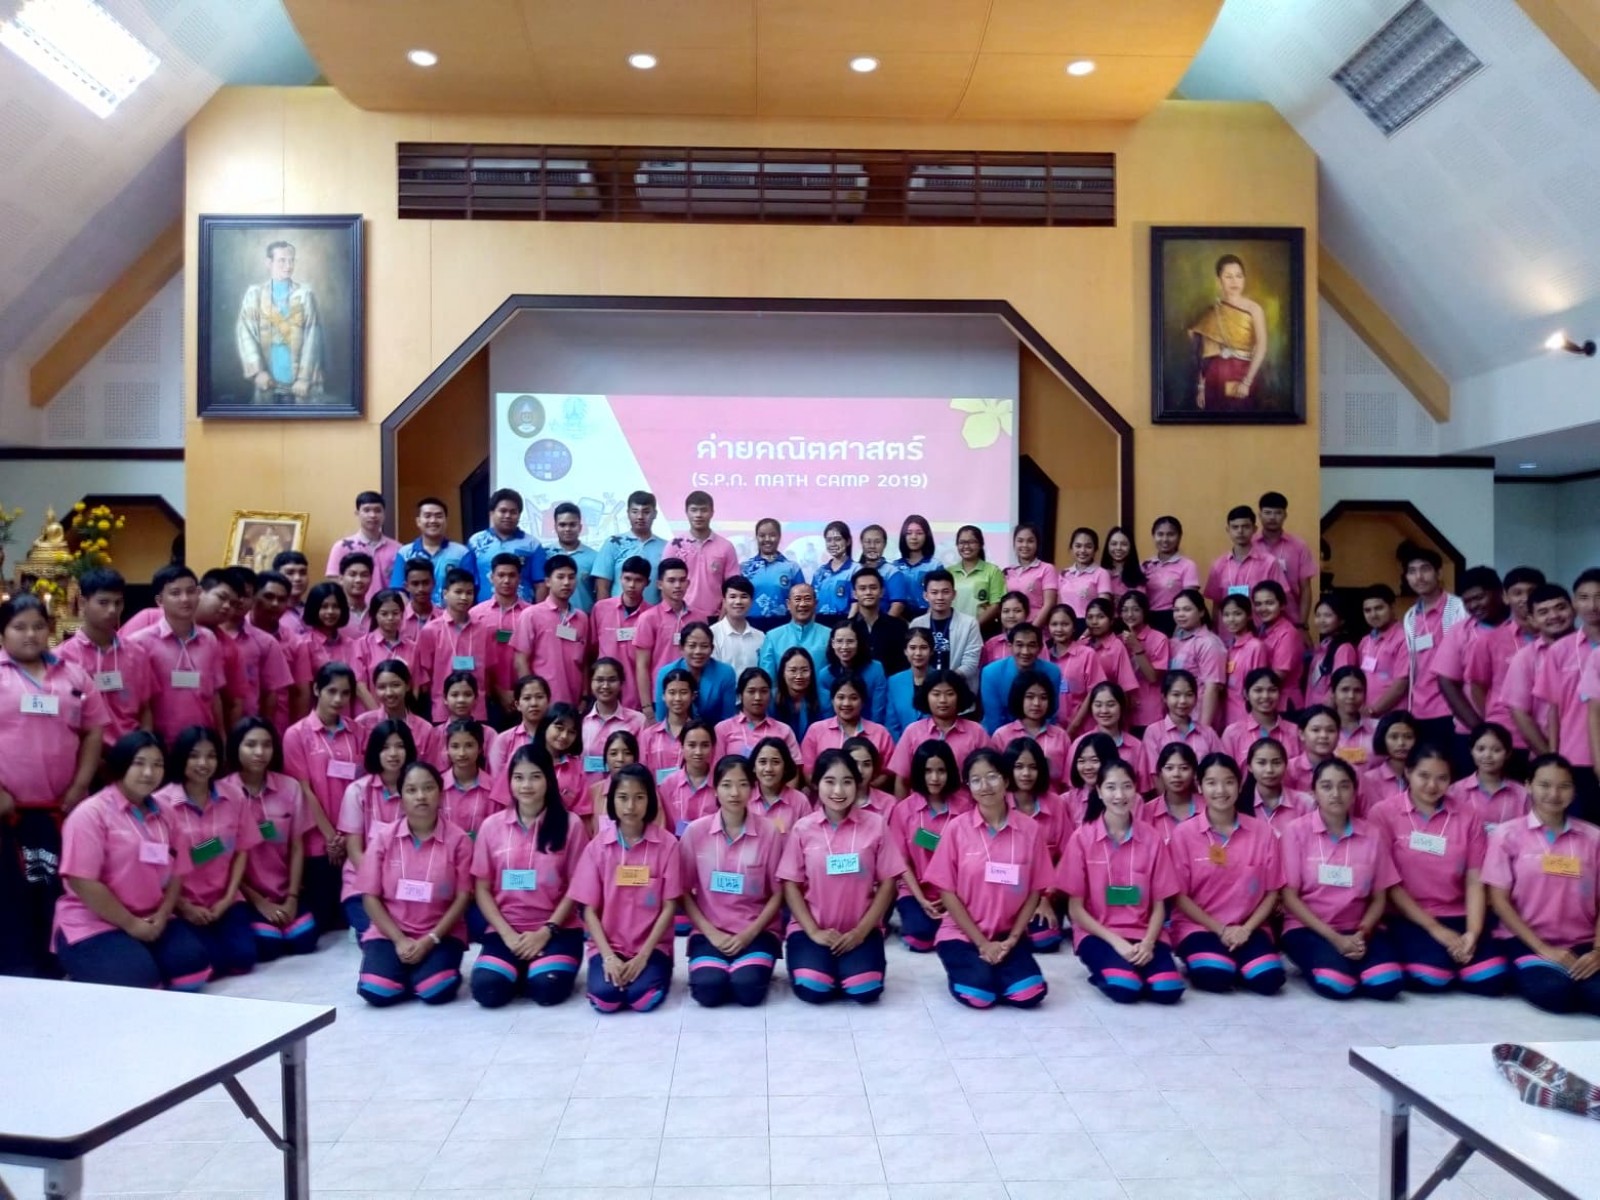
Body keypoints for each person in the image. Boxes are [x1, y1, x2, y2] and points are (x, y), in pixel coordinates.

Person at [0, 594, 109, 977]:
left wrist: (80, 786)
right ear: (3, 633)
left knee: (53, 887)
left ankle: (56, 963)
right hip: (7, 811)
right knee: (11, 892)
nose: (30, 635)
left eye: (38, 626)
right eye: (19, 627)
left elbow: (93, 731)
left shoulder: (74, 675)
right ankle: (16, 968)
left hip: (60, 809)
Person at [52, 732, 211, 989]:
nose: (149, 772)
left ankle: (135, 957)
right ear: (121, 764)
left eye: (157, 764)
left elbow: (178, 871)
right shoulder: (90, 814)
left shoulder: (166, 812)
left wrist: (163, 914)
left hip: (152, 916)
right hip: (95, 921)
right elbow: (82, 881)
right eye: (139, 763)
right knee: (139, 984)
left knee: (194, 971)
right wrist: (130, 924)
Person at [1370, 743, 1508, 995]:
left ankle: (1455, 959)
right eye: (1424, 776)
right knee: (1433, 977)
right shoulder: (1383, 813)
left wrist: (1472, 932)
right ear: (1408, 772)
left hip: (1457, 912)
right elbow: (1389, 883)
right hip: (1407, 916)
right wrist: (1436, 929)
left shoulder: (1468, 816)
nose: (1432, 785)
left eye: (1442, 778)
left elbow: (1474, 880)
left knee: (1492, 979)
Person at [921, 748, 1051, 1009]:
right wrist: (982, 943)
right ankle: (978, 969)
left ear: (1006, 779)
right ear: (968, 786)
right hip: (962, 933)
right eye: (976, 780)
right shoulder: (956, 829)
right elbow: (947, 891)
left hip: (1007, 934)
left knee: (1029, 994)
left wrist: (1013, 938)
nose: (985, 786)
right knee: (980, 996)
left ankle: (996, 966)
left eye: (992, 777)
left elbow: (1035, 889)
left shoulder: (1030, 829)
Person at [778, 748, 903, 1003]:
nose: (838, 790)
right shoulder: (803, 828)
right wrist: (813, 931)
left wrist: (861, 932)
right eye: (829, 781)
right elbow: (790, 883)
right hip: (812, 928)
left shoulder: (876, 824)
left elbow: (889, 882)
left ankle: (846, 967)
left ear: (857, 784)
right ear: (816, 784)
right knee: (814, 990)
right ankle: (824, 965)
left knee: (865, 991)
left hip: (860, 929)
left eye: (847, 782)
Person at [469, 742, 588, 1008]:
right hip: (506, 929)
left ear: (548, 779)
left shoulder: (571, 825)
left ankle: (531, 968)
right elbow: (482, 888)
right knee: (488, 990)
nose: (526, 785)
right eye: (518, 777)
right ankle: (518, 966)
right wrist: (508, 935)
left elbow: (576, 887)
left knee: (546, 988)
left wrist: (546, 931)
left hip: (556, 930)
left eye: (535, 777)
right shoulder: (491, 827)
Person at [1058, 757, 1185, 1004]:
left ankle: (1132, 968)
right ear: (1099, 791)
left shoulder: (1151, 838)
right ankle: (1107, 972)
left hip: (1144, 931)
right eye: (1111, 787)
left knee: (1168, 990)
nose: (1119, 795)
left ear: (1136, 789)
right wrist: (1117, 943)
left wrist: (1148, 943)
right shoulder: (1082, 838)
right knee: (1125, 989)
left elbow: (1160, 904)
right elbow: (1075, 910)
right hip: (1098, 934)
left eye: (1127, 786)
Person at [1483, 754, 1600, 1015]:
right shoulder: (1507, 835)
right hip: (1527, 941)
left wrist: (1598, 952)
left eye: (1564, 786)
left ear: (1574, 790)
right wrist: (1544, 949)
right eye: (1544, 785)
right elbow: (1499, 901)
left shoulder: (1593, 838)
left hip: (1584, 942)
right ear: (1528, 785)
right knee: (1555, 993)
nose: (1554, 794)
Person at [1279, 759, 1404, 1000]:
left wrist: (1361, 934)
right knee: (1339, 985)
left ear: (1355, 791)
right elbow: (1289, 897)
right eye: (1326, 786)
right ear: (1313, 792)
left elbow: (1379, 897)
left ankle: (1351, 962)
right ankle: (1331, 963)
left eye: (1344, 786)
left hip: (1358, 928)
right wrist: (1335, 939)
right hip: (1308, 928)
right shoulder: (1295, 831)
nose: (1335, 794)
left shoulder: (1372, 834)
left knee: (1387, 984)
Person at [353, 761, 473, 1006]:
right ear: (401, 797)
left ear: (440, 793)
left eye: (428, 788)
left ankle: (417, 974)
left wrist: (430, 939)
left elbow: (463, 897)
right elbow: (370, 896)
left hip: (440, 934)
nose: (420, 796)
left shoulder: (459, 840)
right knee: (376, 991)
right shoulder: (384, 838)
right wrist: (399, 940)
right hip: (391, 932)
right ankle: (405, 973)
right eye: (411, 790)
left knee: (435, 991)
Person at [1169, 753, 1287, 994]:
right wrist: (1220, 930)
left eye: (1229, 782)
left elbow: (1272, 891)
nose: (1221, 790)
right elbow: (1179, 896)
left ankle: (1237, 960)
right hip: (1198, 927)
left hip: (1248, 928)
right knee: (1216, 978)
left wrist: (1246, 929)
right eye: (1211, 783)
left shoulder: (1262, 832)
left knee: (1269, 980)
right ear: (1199, 786)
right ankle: (1222, 961)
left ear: (1240, 785)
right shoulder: (1184, 834)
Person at [569, 764, 682, 1012]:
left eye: (639, 797)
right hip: (609, 946)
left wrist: (643, 956)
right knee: (606, 999)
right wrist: (608, 956)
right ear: (612, 801)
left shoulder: (667, 845)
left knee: (641, 999)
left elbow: (669, 907)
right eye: (623, 797)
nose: (630, 806)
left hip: (651, 947)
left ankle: (655, 970)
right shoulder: (597, 847)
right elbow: (589, 911)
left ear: (650, 800)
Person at [679, 754, 785, 1008]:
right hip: (710, 931)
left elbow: (778, 893)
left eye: (743, 784)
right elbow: (683, 891)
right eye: (726, 785)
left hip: (756, 930)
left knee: (747, 989)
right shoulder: (696, 832)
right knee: (708, 991)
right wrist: (711, 933)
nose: (735, 793)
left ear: (753, 788)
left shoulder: (768, 832)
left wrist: (749, 934)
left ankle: (749, 965)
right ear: (715, 789)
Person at [156, 726, 261, 978]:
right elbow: (156, 868)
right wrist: (184, 906)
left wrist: (228, 898)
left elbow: (242, 851)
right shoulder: (160, 803)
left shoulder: (234, 796)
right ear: (181, 757)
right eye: (194, 756)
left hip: (224, 898)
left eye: (211, 756)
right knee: (213, 964)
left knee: (244, 959)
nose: (203, 763)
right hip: (181, 903)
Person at [225, 717, 319, 960]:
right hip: (246, 894)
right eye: (250, 745)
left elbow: (297, 846)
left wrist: (292, 898)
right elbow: (223, 860)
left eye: (266, 745)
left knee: (305, 940)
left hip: (285, 890)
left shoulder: (290, 788)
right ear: (236, 747)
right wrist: (259, 902)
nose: (259, 752)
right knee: (269, 946)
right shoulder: (223, 793)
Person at [282, 662, 360, 933]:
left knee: (350, 919)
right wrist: (331, 838)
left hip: (352, 838)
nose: (338, 699)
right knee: (323, 923)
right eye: (331, 691)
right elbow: (303, 790)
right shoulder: (296, 734)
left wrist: (347, 836)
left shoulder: (357, 732)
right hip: (318, 841)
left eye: (345, 693)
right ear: (316, 689)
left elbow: (361, 786)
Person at [54, 568, 155, 748]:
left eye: (118, 603)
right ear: (83, 603)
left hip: (130, 752)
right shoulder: (62, 657)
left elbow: (146, 708)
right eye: (103, 602)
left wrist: (145, 748)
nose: (112, 610)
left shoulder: (137, 653)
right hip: (84, 753)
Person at [129, 565, 227, 746]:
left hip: (203, 742)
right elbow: (139, 703)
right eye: (175, 593)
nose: (185, 599)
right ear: (160, 600)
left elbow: (215, 694)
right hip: (161, 743)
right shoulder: (140, 643)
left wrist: (221, 737)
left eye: (191, 591)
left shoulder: (209, 639)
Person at [888, 740, 966, 952]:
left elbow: (971, 860)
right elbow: (902, 862)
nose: (934, 778)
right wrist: (921, 899)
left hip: (958, 891)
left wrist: (951, 897)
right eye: (928, 771)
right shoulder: (903, 810)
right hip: (916, 890)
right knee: (919, 938)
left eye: (941, 771)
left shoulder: (966, 807)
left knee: (958, 936)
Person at [336, 721, 413, 932]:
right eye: (385, 747)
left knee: (415, 930)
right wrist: (382, 886)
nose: (393, 753)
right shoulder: (357, 791)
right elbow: (354, 851)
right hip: (363, 884)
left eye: (400, 746)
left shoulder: (417, 791)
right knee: (377, 934)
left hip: (407, 885)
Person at [1003, 735, 1069, 949]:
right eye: (1019, 767)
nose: (1026, 773)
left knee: (1045, 941)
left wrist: (1046, 897)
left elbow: (1067, 857)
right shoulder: (997, 802)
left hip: (1047, 893)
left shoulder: (1056, 804)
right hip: (1006, 891)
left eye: (1032, 767)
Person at [1543, 570, 1600, 821]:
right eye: (1584, 598)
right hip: (1574, 754)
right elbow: (1553, 709)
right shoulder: (1560, 650)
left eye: (1599, 597)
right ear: (1574, 603)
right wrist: (1553, 756)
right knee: (1582, 827)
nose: (1593, 605)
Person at [236, 239, 322, 402]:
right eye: (282, 260)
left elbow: (312, 338)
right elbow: (245, 334)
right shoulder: (255, 295)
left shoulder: (305, 295)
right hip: (267, 380)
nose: (288, 266)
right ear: (269, 263)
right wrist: (258, 372)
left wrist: (304, 378)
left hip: (299, 384)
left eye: (291, 260)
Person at [1401, 546, 1468, 753]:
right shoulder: (1410, 616)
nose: (1419, 577)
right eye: (1412, 571)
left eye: (1425, 569)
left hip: (1452, 706)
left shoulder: (1459, 608)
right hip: (1420, 709)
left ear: (1439, 573)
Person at [1188, 253, 1267, 411]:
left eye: (1238, 276)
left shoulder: (1254, 309)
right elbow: (1204, 355)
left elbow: (1262, 347)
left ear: (1244, 279)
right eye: (1228, 276)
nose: (1234, 281)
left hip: (1243, 374)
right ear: (1219, 281)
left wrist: (1247, 382)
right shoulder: (1212, 313)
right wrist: (1201, 388)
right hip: (1214, 375)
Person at [415, 567, 495, 721]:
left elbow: (488, 671)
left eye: (469, 593)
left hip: (477, 709)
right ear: (445, 593)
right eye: (458, 592)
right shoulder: (431, 630)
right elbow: (425, 674)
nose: (464, 597)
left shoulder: (483, 630)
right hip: (442, 709)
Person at [509, 553, 588, 708]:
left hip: (574, 703)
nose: (566, 582)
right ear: (548, 581)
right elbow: (521, 660)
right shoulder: (531, 615)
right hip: (543, 703)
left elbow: (584, 661)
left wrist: (585, 696)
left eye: (571, 577)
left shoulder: (582, 618)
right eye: (560, 577)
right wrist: (532, 699)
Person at [887, 669, 987, 790]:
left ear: (960, 696)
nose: (943, 700)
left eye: (949, 694)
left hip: (964, 801)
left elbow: (988, 773)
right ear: (926, 697)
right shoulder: (912, 732)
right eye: (936, 694)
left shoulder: (976, 732)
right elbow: (902, 780)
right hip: (920, 801)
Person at [633, 558, 704, 702]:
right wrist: (646, 705)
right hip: (661, 696)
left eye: (682, 580)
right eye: (671, 581)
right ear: (659, 584)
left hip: (693, 696)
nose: (678, 585)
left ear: (688, 583)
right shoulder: (648, 618)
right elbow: (642, 666)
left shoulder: (700, 617)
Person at [590, 555, 654, 710]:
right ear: (620, 578)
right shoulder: (600, 609)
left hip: (638, 696)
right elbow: (592, 649)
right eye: (627, 579)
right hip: (605, 692)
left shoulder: (652, 615)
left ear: (647, 583)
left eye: (638, 580)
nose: (632, 585)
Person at [472, 554, 530, 719]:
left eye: (512, 575)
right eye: (501, 575)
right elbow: (476, 659)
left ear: (519, 578)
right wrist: (499, 691)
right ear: (491, 577)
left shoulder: (531, 613)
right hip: (488, 695)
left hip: (525, 695)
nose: (506, 581)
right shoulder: (476, 614)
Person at [801, 674, 892, 777]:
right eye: (841, 697)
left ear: (863, 701)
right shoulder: (815, 730)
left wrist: (864, 787)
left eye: (853, 698)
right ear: (832, 700)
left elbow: (886, 774)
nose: (846, 703)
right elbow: (809, 772)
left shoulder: (881, 733)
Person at [388, 497, 475, 605]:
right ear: (418, 521)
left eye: (439, 516)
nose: (433, 520)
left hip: (451, 614)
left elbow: (470, 587)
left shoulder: (462, 553)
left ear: (446, 521)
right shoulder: (405, 553)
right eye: (427, 516)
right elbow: (399, 590)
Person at [979, 621, 1061, 734]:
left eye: (1031, 645)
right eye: (1019, 645)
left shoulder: (1052, 672)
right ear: (1010, 646)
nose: (1025, 652)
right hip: (1001, 734)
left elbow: (1050, 714)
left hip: (1039, 733)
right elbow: (994, 718)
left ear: (1040, 648)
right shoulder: (991, 673)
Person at [910, 569, 982, 695]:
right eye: (934, 592)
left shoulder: (969, 624)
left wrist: (946, 682)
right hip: (925, 691)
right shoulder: (917, 624)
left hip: (959, 691)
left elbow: (971, 663)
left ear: (954, 594)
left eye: (945, 592)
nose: (940, 597)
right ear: (925, 596)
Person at [467, 488, 546, 604]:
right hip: (483, 610)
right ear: (492, 513)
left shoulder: (532, 544)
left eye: (513, 512)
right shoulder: (476, 542)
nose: (508, 516)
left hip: (522, 610)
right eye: (503, 511)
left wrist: (538, 612)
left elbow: (540, 585)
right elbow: (467, 582)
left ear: (519, 515)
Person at [991, 669, 1070, 781]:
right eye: (1030, 697)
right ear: (1019, 698)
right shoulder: (1001, 735)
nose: (1036, 703)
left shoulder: (1061, 736)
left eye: (1043, 698)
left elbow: (1068, 779)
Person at [1449, 722, 1529, 834]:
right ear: (1471, 751)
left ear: (1508, 753)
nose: (1487, 755)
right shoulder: (1455, 791)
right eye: (1481, 749)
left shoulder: (1521, 794)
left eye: (1496, 750)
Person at [1203, 506, 1288, 611]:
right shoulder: (1218, 565)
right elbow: (1217, 603)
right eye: (1235, 527)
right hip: (1228, 621)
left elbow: (1280, 598)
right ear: (1228, 530)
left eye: (1246, 527)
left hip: (1259, 620)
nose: (1240, 531)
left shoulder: (1269, 563)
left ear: (1254, 529)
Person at [326, 491, 401, 607]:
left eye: (377, 510)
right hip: (351, 610)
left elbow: (401, 587)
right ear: (357, 513)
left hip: (386, 612)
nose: (372, 515)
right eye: (367, 510)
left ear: (384, 514)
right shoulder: (341, 547)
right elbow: (334, 584)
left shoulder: (398, 549)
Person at [296, 581, 366, 707]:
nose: (330, 611)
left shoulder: (351, 644)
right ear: (314, 608)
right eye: (324, 606)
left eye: (335, 606)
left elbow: (359, 686)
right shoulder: (304, 645)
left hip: (348, 715)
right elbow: (303, 693)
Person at [653, 621, 736, 726]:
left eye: (704, 646)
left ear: (712, 649)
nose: (698, 651)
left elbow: (728, 719)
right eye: (692, 646)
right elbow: (661, 719)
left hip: (714, 731)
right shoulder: (666, 673)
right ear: (681, 648)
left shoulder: (725, 673)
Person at [592, 490, 667, 605]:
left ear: (655, 514)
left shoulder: (665, 547)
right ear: (628, 513)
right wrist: (604, 611)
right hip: (618, 613)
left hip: (653, 613)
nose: (640, 517)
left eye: (646, 512)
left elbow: (667, 587)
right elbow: (602, 585)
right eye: (635, 511)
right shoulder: (613, 543)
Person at [1254, 491, 1316, 627]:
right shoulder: (1250, 545)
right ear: (1260, 515)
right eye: (1267, 513)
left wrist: (1303, 623)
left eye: (1278, 513)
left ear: (1285, 515)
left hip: (1290, 617)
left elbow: (1305, 588)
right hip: (1256, 619)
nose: (1272, 517)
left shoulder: (1298, 546)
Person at [1169, 589, 1226, 731]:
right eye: (1176, 610)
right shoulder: (1174, 641)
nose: (1180, 614)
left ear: (1201, 612)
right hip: (1177, 718)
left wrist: (1204, 730)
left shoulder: (1209, 643)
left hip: (1198, 718)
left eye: (1187, 609)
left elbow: (1212, 687)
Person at [1140, 669, 1221, 766]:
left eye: (1189, 695)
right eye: (1176, 695)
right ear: (1164, 697)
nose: (1183, 701)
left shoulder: (1208, 734)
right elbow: (1153, 771)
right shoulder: (1154, 732)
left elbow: (1220, 767)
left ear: (1196, 698)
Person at [1044, 603, 1104, 735]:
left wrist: (1074, 726)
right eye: (1054, 624)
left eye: (1065, 624)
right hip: (1052, 730)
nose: (1059, 629)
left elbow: (1094, 692)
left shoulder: (1087, 654)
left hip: (1083, 728)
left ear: (1074, 627)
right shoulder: (1045, 657)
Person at [1222, 668, 1301, 765]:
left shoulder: (1294, 732)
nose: (1265, 696)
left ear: (1280, 693)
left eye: (1272, 690)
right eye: (1258, 690)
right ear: (1246, 694)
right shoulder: (1232, 734)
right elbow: (1225, 770)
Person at [1117, 591, 1170, 733]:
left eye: (1135, 609)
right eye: (1125, 610)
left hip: (1150, 711)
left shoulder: (1159, 639)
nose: (1129, 614)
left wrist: (1136, 647)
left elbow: (1152, 677)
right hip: (1124, 712)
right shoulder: (1118, 640)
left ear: (1145, 611)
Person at [740, 517, 804, 633]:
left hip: (783, 626)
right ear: (756, 537)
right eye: (762, 535)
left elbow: (801, 600)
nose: (767, 539)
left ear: (779, 536)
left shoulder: (792, 568)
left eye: (772, 535)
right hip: (750, 626)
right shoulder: (745, 568)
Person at [758, 581, 830, 681]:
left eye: (807, 599)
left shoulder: (829, 635)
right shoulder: (773, 637)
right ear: (788, 604)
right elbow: (767, 679)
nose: (802, 604)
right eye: (797, 599)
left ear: (815, 604)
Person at [1141, 516, 1200, 635]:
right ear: (1153, 536)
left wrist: (1179, 626)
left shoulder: (1187, 565)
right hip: (1147, 620)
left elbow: (1190, 600)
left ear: (1179, 536)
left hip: (1175, 620)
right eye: (1160, 534)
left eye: (1170, 534)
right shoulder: (1145, 565)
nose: (1165, 539)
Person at [817, 623, 887, 723]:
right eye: (839, 641)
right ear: (833, 643)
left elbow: (878, 711)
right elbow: (827, 713)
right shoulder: (825, 675)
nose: (844, 646)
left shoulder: (876, 669)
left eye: (850, 641)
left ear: (859, 643)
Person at [849, 566, 909, 677]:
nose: (868, 592)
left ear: (881, 592)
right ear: (854, 594)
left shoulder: (898, 626)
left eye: (873, 588)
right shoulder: (847, 628)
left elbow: (904, 664)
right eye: (862, 588)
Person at [1246, 735, 1312, 835]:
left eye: (1276, 763)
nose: (1269, 770)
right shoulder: (1240, 804)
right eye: (1261, 763)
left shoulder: (1305, 803)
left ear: (1286, 765)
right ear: (1250, 767)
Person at [1253, 581, 1304, 708]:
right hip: (1266, 700)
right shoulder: (1261, 629)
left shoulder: (1288, 634)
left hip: (1284, 703)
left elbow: (1277, 676)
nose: (1263, 609)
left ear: (1282, 605)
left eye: (1269, 603)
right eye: (1258, 604)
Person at [659, 721, 717, 831]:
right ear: (682, 747)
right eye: (692, 745)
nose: (698, 752)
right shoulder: (668, 784)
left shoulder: (719, 783)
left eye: (705, 745)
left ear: (712, 748)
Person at [749, 736, 812, 834]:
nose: (768, 769)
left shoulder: (800, 801)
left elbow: (808, 837)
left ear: (785, 767)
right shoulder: (745, 798)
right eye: (762, 762)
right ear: (754, 767)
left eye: (776, 762)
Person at [1142, 741, 1201, 842]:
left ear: (1194, 772)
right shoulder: (1147, 811)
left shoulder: (1208, 807)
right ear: (1160, 772)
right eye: (1169, 768)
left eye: (1184, 768)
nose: (1176, 774)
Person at [1305, 596, 1357, 711]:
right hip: (1312, 710)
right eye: (1318, 615)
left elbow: (1340, 684)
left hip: (1326, 713)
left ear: (1341, 620)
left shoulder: (1344, 648)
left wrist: (1326, 713)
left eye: (1328, 615)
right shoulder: (1323, 645)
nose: (1321, 620)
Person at [545, 501, 597, 613]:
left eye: (572, 525)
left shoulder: (595, 557)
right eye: (562, 525)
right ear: (555, 527)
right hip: (550, 617)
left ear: (580, 527)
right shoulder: (545, 555)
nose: (567, 529)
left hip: (583, 618)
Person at [949, 525, 1004, 628]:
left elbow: (996, 605)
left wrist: (973, 627)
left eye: (971, 542)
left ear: (980, 545)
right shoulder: (948, 572)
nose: (966, 546)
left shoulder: (993, 571)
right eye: (962, 542)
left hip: (983, 630)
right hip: (953, 629)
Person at [886, 627, 934, 742]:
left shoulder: (941, 680)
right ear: (905, 651)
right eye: (912, 648)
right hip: (901, 745)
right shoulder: (894, 681)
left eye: (923, 648)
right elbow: (891, 723)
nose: (918, 653)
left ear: (931, 651)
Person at [888, 515, 938, 620]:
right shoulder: (894, 567)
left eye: (919, 533)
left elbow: (938, 597)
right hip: (899, 618)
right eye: (909, 533)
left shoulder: (935, 565)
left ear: (927, 536)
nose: (914, 537)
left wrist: (924, 622)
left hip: (927, 618)